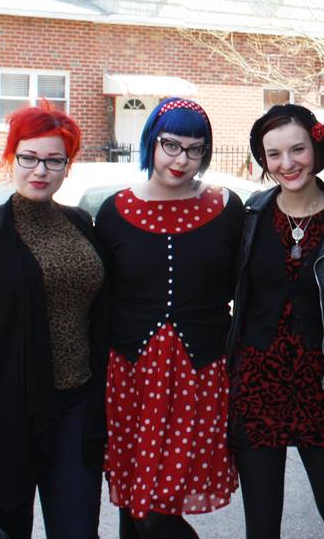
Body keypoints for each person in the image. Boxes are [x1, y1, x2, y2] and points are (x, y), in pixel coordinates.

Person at [0, 103, 106, 539]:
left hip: (76, 408)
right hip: (4, 412)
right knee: (7, 529)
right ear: (11, 157)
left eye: (54, 160)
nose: (41, 170)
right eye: (29, 157)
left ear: (68, 166)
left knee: (78, 530)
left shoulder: (80, 223)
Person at [96, 97, 241, 539]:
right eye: (172, 145)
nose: (182, 160)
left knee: (157, 509)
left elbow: (246, 286)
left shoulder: (227, 208)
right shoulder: (114, 212)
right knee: (135, 504)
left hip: (200, 373)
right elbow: (101, 300)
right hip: (133, 376)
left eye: (195, 149)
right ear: (151, 143)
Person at [227, 104, 324, 539]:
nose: (287, 163)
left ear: (316, 148)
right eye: (274, 154)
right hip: (257, 387)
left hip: (322, 389)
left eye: (297, 149)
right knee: (261, 525)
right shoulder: (251, 216)